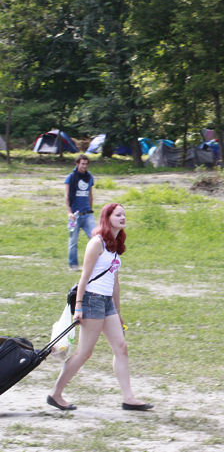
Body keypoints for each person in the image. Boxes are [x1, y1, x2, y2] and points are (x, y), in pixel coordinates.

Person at [48, 203, 153, 412]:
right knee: (84, 352)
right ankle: (56, 394)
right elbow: (84, 277)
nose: (123, 218)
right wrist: (78, 307)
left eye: (124, 214)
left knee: (121, 347)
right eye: (118, 215)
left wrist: (118, 312)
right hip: (91, 300)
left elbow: (114, 282)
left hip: (106, 303)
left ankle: (128, 398)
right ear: (108, 218)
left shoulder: (114, 245)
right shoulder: (97, 243)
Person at [65, 154, 96, 271]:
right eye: (82, 163)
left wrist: (90, 210)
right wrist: (69, 212)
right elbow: (67, 196)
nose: (84, 166)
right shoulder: (71, 177)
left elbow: (90, 195)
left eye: (86, 164)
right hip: (75, 215)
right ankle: (73, 265)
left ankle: (96, 264)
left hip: (87, 214)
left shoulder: (89, 177)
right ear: (77, 164)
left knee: (96, 238)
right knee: (73, 241)